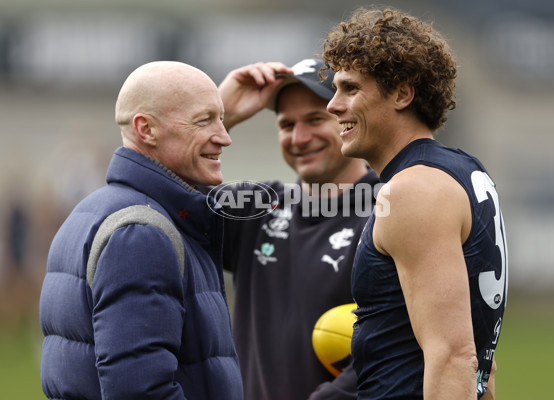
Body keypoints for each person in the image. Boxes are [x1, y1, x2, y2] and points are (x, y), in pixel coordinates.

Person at [322, 7, 507, 400]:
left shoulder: (414, 190)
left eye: (351, 89)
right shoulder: (465, 171)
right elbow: (481, 367)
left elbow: (454, 357)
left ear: (403, 94)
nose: (332, 106)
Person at [38, 61, 243, 399]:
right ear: (146, 129)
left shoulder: (95, 211)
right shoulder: (141, 234)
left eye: (221, 118)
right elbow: (140, 392)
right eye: (204, 120)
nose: (224, 136)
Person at [215, 57, 379, 399]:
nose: (300, 137)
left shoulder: (391, 210)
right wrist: (220, 116)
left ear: (349, 119)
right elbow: (161, 201)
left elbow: (404, 346)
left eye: (316, 119)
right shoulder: (258, 207)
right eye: (287, 124)